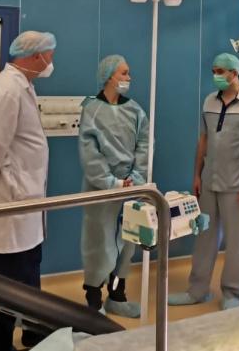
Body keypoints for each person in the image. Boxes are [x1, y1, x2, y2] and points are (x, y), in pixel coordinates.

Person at [0, 30, 56, 351]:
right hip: (10, 203)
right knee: (4, 284)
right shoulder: (7, 90)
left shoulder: (23, 86)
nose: (51, 62)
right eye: (50, 55)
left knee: (28, 275)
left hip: (25, 204)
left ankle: (33, 331)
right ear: (36, 56)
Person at [169, 53, 239, 310]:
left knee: (237, 243)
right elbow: (203, 140)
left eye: (220, 71)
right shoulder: (209, 102)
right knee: (203, 238)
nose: (215, 76)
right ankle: (197, 290)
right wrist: (196, 174)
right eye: (213, 71)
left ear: (234, 73)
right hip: (209, 182)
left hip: (238, 186)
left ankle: (233, 293)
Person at [79, 55, 148, 318]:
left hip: (131, 186)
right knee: (99, 243)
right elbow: (90, 153)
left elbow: (144, 145)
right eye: (124, 73)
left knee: (127, 242)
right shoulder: (92, 110)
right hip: (101, 188)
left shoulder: (135, 110)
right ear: (109, 76)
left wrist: (136, 179)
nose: (129, 78)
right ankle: (94, 302)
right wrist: (112, 182)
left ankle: (117, 297)